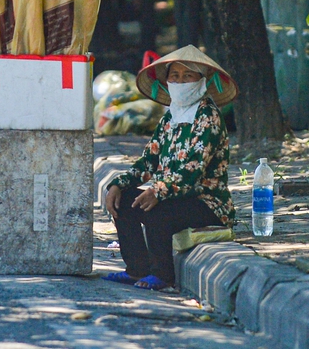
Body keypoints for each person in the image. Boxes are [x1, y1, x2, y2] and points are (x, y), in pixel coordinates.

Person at [102, 45, 238, 291]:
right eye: (174, 75)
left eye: (188, 76)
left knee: (158, 210)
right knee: (124, 201)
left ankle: (163, 274)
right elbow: (148, 163)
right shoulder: (169, 118)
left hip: (207, 203)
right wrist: (118, 184)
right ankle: (136, 269)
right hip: (172, 196)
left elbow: (192, 171)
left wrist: (158, 191)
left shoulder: (208, 117)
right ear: (167, 81)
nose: (180, 81)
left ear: (201, 80)